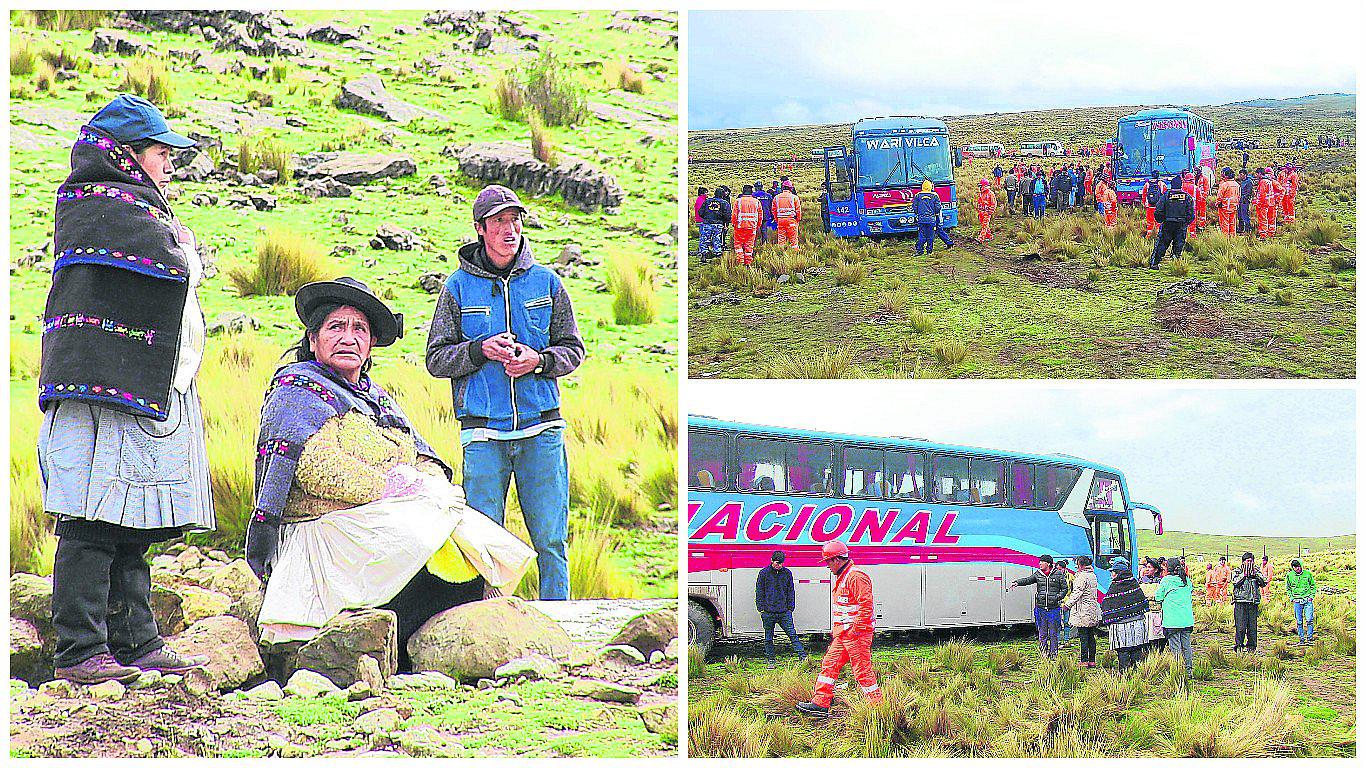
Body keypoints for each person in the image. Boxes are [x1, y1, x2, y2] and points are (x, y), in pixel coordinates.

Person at [39, 94, 213, 684]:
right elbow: (171, 264)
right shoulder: (97, 205)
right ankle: (80, 650)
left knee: (130, 522)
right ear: (126, 154)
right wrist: (184, 247)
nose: (169, 163)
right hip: (100, 390)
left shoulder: (137, 206)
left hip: (134, 386)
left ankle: (135, 640)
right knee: (90, 519)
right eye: (160, 152)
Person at [247, 278, 501, 665]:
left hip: (377, 518)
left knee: (465, 530)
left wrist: (428, 483)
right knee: (416, 533)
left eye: (359, 329)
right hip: (327, 526)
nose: (348, 337)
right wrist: (392, 485)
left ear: (369, 348)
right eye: (336, 327)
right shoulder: (296, 391)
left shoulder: (374, 398)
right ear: (313, 340)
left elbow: (420, 453)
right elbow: (315, 466)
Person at [425, 185, 586, 600]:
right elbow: (436, 359)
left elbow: (573, 349)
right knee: (482, 546)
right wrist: (480, 350)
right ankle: (486, 624)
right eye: (498, 221)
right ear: (480, 229)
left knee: (551, 542)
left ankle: (560, 625)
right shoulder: (457, 288)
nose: (509, 229)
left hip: (542, 431)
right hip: (483, 436)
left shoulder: (548, 282)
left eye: (514, 220)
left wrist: (539, 361)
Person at [797, 540, 881, 717]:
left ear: (836, 560)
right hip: (845, 635)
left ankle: (878, 708)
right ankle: (820, 703)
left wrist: (855, 630)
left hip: (855, 635)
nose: (827, 566)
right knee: (829, 664)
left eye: (828, 561)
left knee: (862, 672)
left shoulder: (855, 576)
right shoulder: (845, 576)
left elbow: (866, 606)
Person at [1007, 554, 1067, 660]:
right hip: (1041, 608)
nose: (1039, 563)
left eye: (1042, 562)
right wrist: (1017, 582)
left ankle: (1054, 654)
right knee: (1042, 632)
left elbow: (1065, 588)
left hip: (1053, 609)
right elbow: (1028, 580)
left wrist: (1057, 597)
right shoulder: (1038, 574)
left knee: (1053, 633)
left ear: (1048, 563)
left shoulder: (1058, 574)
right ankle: (1044, 653)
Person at [756, 551, 807, 667]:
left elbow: (790, 591)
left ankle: (803, 657)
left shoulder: (787, 573)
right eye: (777, 563)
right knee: (768, 638)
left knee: (792, 635)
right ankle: (771, 660)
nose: (779, 565)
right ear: (772, 561)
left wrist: (790, 608)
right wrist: (761, 609)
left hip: (784, 612)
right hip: (768, 612)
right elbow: (759, 591)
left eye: (781, 563)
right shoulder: (763, 573)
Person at [1100, 560, 1148, 673]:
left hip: (1121, 628)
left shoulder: (1115, 586)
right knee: (1136, 651)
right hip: (1137, 626)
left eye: (1113, 572)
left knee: (1123, 652)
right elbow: (1142, 602)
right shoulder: (1134, 583)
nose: (1111, 575)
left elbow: (1107, 605)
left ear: (1118, 573)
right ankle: (1137, 676)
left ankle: (1124, 676)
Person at [1155, 556, 1195, 675]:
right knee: (1186, 646)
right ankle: (1189, 671)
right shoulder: (1187, 580)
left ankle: (1177, 672)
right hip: (1186, 620)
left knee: (1175, 647)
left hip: (1172, 620)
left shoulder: (1166, 581)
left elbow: (1158, 597)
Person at [1062, 555, 1101, 667]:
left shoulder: (1082, 577)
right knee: (1091, 636)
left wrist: (1067, 605)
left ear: (1081, 565)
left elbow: (1077, 593)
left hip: (1082, 611)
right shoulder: (1092, 575)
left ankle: (1084, 660)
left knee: (1083, 637)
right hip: (1091, 610)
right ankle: (1092, 660)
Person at [1149, 174, 1192, 269]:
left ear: (1171, 185)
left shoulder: (1166, 196)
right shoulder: (1187, 197)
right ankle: (1176, 265)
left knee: (1162, 244)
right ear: (1181, 185)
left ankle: (1155, 263)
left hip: (1167, 224)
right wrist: (1185, 223)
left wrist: (1161, 220)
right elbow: (1191, 213)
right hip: (1181, 224)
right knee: (1179, 245)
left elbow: (1158, 210)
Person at [1231, 551, 1268, 653]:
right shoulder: (1237, 571)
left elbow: (1264, 582)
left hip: (1253, 603)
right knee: (1241, 627)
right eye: (1248, 561)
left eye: (1251, 561)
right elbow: (1235, 582)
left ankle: (1251, 648)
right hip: (1240, 602)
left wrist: (1256, 575)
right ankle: (1239, 647)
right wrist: (1244, 575)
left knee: (1252, 628)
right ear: (1243, 562)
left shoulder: (1256, 570)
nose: (1250, 563)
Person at [1138, 557, 1165, 659]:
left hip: (1157, 612)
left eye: (1149, 567)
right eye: (1146, 567)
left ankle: (1158, 655)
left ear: (1156, 569)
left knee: (1158, 636)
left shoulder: (1161, 581)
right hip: (1146, 612)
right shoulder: (1142, 580)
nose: (1147, 569)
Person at [1286, 559, 1317, 644]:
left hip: (1307, 600)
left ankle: (1310, 638)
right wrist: (1291, 597)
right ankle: (1301, 639)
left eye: (1298, 566)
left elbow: (1313, 585)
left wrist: (1311, 596)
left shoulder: (1308, 574)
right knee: (1299, 621)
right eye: (1295, 567)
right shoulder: (1289, 575)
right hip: (1297, 601)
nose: (1297, 568)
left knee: (1309, 619)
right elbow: (1288, 588)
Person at [697, 186, 731, 262]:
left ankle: (704, 254)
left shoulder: (707, 201)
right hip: (718, 224)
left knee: (704, 239)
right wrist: (725, 223)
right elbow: (728, 216)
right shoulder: (725, 203)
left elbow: (700, 212)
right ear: (723, 195)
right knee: (717, 239)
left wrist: (706, 218)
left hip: (707, 223)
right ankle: (718, 255)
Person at [731, 185, 763, 266]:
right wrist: (758, 225)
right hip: (752, 227)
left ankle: (740, 262)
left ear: (743, 191)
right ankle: (748, 262)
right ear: (751, 192)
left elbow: (734, 214)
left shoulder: (738, 201)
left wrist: (734, 224)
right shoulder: (756, 201)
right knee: (749, 245)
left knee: (738, 244)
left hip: (740, 227)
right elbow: (760, 215)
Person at [912, 179, 943, 256]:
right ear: (930, 187)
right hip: (931, 219)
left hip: (921, 219)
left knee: (922, 234)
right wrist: (935, 213)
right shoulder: (935, 196)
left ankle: (920, 251)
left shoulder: (917, 196)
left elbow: (915, 207)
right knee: (930, 235)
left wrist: (918, 214)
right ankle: (929, 250)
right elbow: (938, 207)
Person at [772, 184, 801, 249]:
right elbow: (798, 210)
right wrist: (798, 219)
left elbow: (774, 210)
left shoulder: (776, 197)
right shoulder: (794, 197)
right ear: (790, 189)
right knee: (793, 238)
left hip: (780, 220)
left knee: (781, 238)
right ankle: (795, 253)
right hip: (791, 220)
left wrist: (777, 220)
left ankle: (781, 252)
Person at [1215, 168, 1240, 236]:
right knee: (1232, 223)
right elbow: (1238, 196)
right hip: (1234, 207)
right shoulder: (1237, 184)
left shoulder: (1224, 185)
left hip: (1225, 207)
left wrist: (1217, 204)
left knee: (1225, 223)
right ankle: (1233, 238)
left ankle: (1225, 239)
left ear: (1226, 176)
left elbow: (1219, 196)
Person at [1141, 171, 1165, 237]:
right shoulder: (1162, 184)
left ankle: (1149, 236)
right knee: (1159, 222)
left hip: (1149, 206)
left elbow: (1144, 195)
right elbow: (1164, 195)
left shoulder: (1147, 184)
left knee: (1150, 222)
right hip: (1159, 207)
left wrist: (1144, 204)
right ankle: (1158, 235)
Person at [1255, 168, 1276, 240]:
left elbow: (1262, 194)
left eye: (1257, 174)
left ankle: (1263, 235)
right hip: (1270, 203)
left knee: (1263, 219)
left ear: (1260, 174)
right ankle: (1271, 233)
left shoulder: (1263, 182)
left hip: (1263, 204)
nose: (1256, 175)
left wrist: (1259, 204)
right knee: (1270, 219)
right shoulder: (1269, 181)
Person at [752, 181, 774, 246]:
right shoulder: (768, 195)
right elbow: (771, 206)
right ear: (762, 187)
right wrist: (772, 216)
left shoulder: (753, 195)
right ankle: (764, 243)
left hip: (756, 215)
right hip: (765, 215)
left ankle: (753, 243)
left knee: (754, 230)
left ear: (755, 187)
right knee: (764, 230)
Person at [1057, 559, 1073, 644]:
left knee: (1067, 622)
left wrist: (1070, 600)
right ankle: (1058, 640)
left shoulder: (1070, 576)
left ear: (1064, 568)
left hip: (1067, 603)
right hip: (1057, 603)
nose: (1058, 571)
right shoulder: (1055, 576)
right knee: (1057, 623)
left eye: (1060, 569)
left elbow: (1074, 589)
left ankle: (1066, 640)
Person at [1192, 167, 1210, 235]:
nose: (1195, 172)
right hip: (1195, 198)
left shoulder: (1204, 178)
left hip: (1202, 198)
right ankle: (1195, 224)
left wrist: (1203, 197)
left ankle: (1202, 225)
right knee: (1195, 211)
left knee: (1202, 212)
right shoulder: (1193, 178)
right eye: (1195, 170)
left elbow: (1206, 188)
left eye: (1197, 170)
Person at [1237, 169, 1255, 234]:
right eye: (1239, 174)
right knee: (1240, 215)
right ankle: (1241, 228)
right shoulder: (1242, 181)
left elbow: (1249, 192)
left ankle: (1248, 229)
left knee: (1245, 215)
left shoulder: (1249, 182)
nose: (1240, 176)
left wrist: (1244, 199)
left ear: (1245, 175)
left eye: (1241, 174)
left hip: (1244, 201)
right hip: (1240, 200)